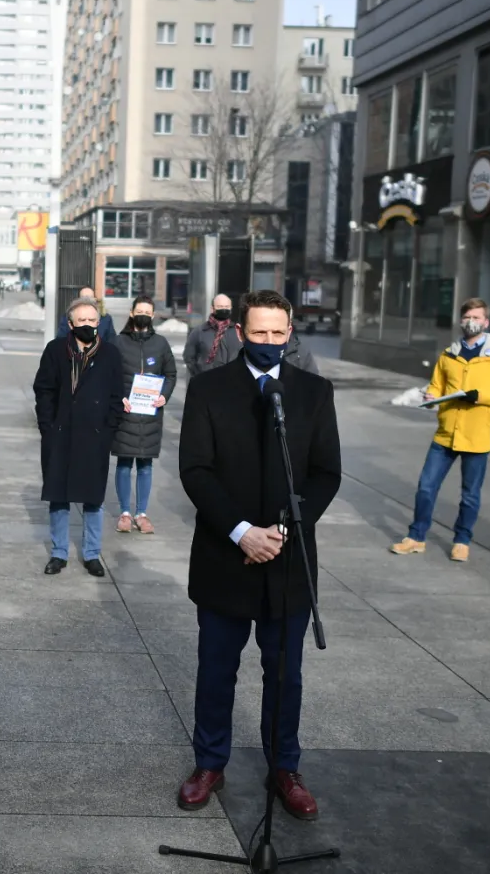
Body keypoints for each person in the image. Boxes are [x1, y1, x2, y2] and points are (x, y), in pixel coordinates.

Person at [175, 289, 342, 820]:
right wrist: (243, 532)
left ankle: (285, 768)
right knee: (216, 671)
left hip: (288, 560)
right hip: (225, 556)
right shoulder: (209, 389)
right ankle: (209, 763)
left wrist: (282, 532)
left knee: (285, 675)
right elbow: (195, 469)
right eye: (259, 332)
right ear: (241, 333)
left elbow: (326, 473)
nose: (269, 340)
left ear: (290, 332)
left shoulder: (313, 392)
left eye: (278, 332)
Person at [390, 297, 490, 563]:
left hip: (477, 434)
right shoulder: (448, 355)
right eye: (468, 317)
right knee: (426, 487)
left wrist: (480, 396)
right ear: (461, 321)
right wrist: (430, 397)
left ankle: (462, 541)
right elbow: (436, 386)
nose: (472, 322)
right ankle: (416, 537)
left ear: (486, 322)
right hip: (446, 433)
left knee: (469, 495)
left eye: (477, 317)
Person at [33, 297, 126, 577]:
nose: (87, 324)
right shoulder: (55, 350)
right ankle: (59, 552)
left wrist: (109, 429)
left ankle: (92, 553)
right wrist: (47, 426)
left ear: (99, 323)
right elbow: (44, 390)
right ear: (71, 323)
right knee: (58, 496)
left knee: (93, 497)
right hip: (60, 433)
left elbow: (116, 395)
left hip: (94, 436)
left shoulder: (110, 353)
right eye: (82, 320)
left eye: (92, 320)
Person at [112, 295, 177, 535]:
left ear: (153, 316)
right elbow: (108, 374)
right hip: (126, 412)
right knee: (124, 463)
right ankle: (124, 513)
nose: (143, 315)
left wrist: (164, 396)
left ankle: (141, 513)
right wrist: (119, 397)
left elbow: (171, 374)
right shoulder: (118, 342)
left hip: (150, 414)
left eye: (147, 312)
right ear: (132, 313)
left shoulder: (160, 344)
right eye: (139, 311)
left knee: (146, 465)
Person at [183, 293, 242, 378]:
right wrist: (199, 375)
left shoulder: (237, 331)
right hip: (206, 380)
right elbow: (189, 357)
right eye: (220, 306)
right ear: (212, 309)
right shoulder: (200, 331)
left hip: (232, 380)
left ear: (231, 308)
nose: (224, 309)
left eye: (227, 306)